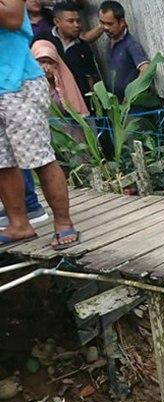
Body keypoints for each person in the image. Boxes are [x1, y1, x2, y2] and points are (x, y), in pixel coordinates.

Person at [0, 0, 78, 248]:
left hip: (19, 84)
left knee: (40, 158)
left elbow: (12, 17)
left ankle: (63, 223)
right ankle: (19, 225)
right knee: (2, 163)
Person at [36, 1, 98, 98]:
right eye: (71, 21)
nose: (76, 25)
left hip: (80, 103)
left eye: (78, 21)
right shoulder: (44, 40)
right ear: (57, 22)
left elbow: (90, 78)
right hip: (53, 101)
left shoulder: (83, 47)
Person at [97, 1, 149, 100]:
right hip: (116, 105)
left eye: (110, 24)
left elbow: (146, 69)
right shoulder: (109, 42)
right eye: (102, 23)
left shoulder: (131, 45)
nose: (105, 27)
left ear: (122, 22)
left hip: (131, 107)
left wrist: (131, 94)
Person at [32, 37, 87, 114]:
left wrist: (52, 86)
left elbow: (70, 109)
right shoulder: (27, 84)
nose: (46, 67)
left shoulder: (64, 81)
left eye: (50, 62)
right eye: (42, 62)